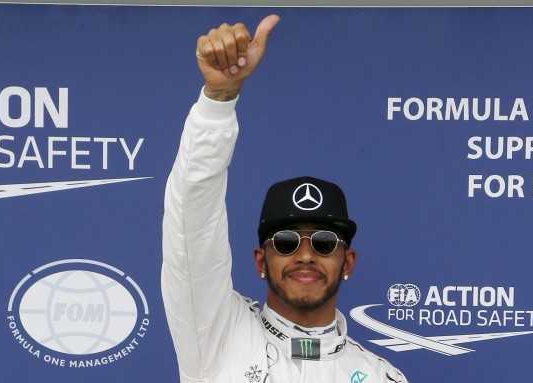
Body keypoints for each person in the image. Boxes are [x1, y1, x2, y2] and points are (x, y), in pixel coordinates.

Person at [161, 14, 409, 383]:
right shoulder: (217, 335)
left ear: (348, 262)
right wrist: (218, 101)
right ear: (261, 259)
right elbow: (192, 225)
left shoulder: (381, 377)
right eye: (286, 241)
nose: (305, 255)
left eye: (325, 243)